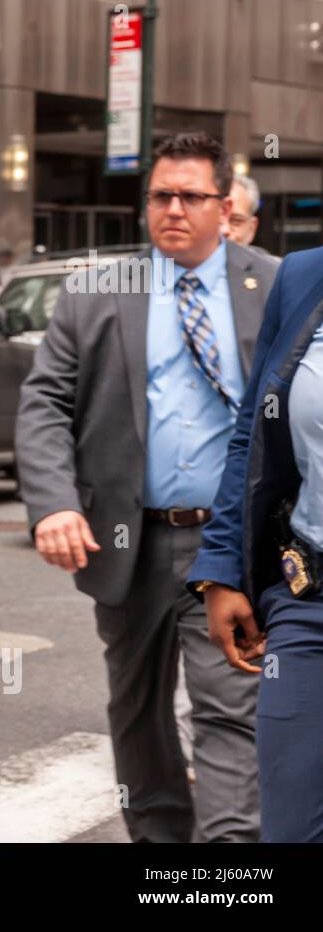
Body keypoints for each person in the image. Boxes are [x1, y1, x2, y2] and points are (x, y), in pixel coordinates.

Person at [16, 132, 279, 843]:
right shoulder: (98, 291)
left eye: (191, 197)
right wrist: (54, 504)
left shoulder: (272, 286)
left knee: (230, 708)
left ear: (224, 207)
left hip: (230, 544)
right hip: (128, 540)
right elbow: (46, 401)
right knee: (138, 711)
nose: (173, 210)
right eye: (161, 196)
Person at [188, 245, 323, 842]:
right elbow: (253, 432)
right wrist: (220, 567)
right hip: (308, 602)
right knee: (292, 829)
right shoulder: (304, 276)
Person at [223, 173, 280, 263]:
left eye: (236, 221)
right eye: (216, 220)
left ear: (251, 229)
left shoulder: (275, 270)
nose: (224, 230)